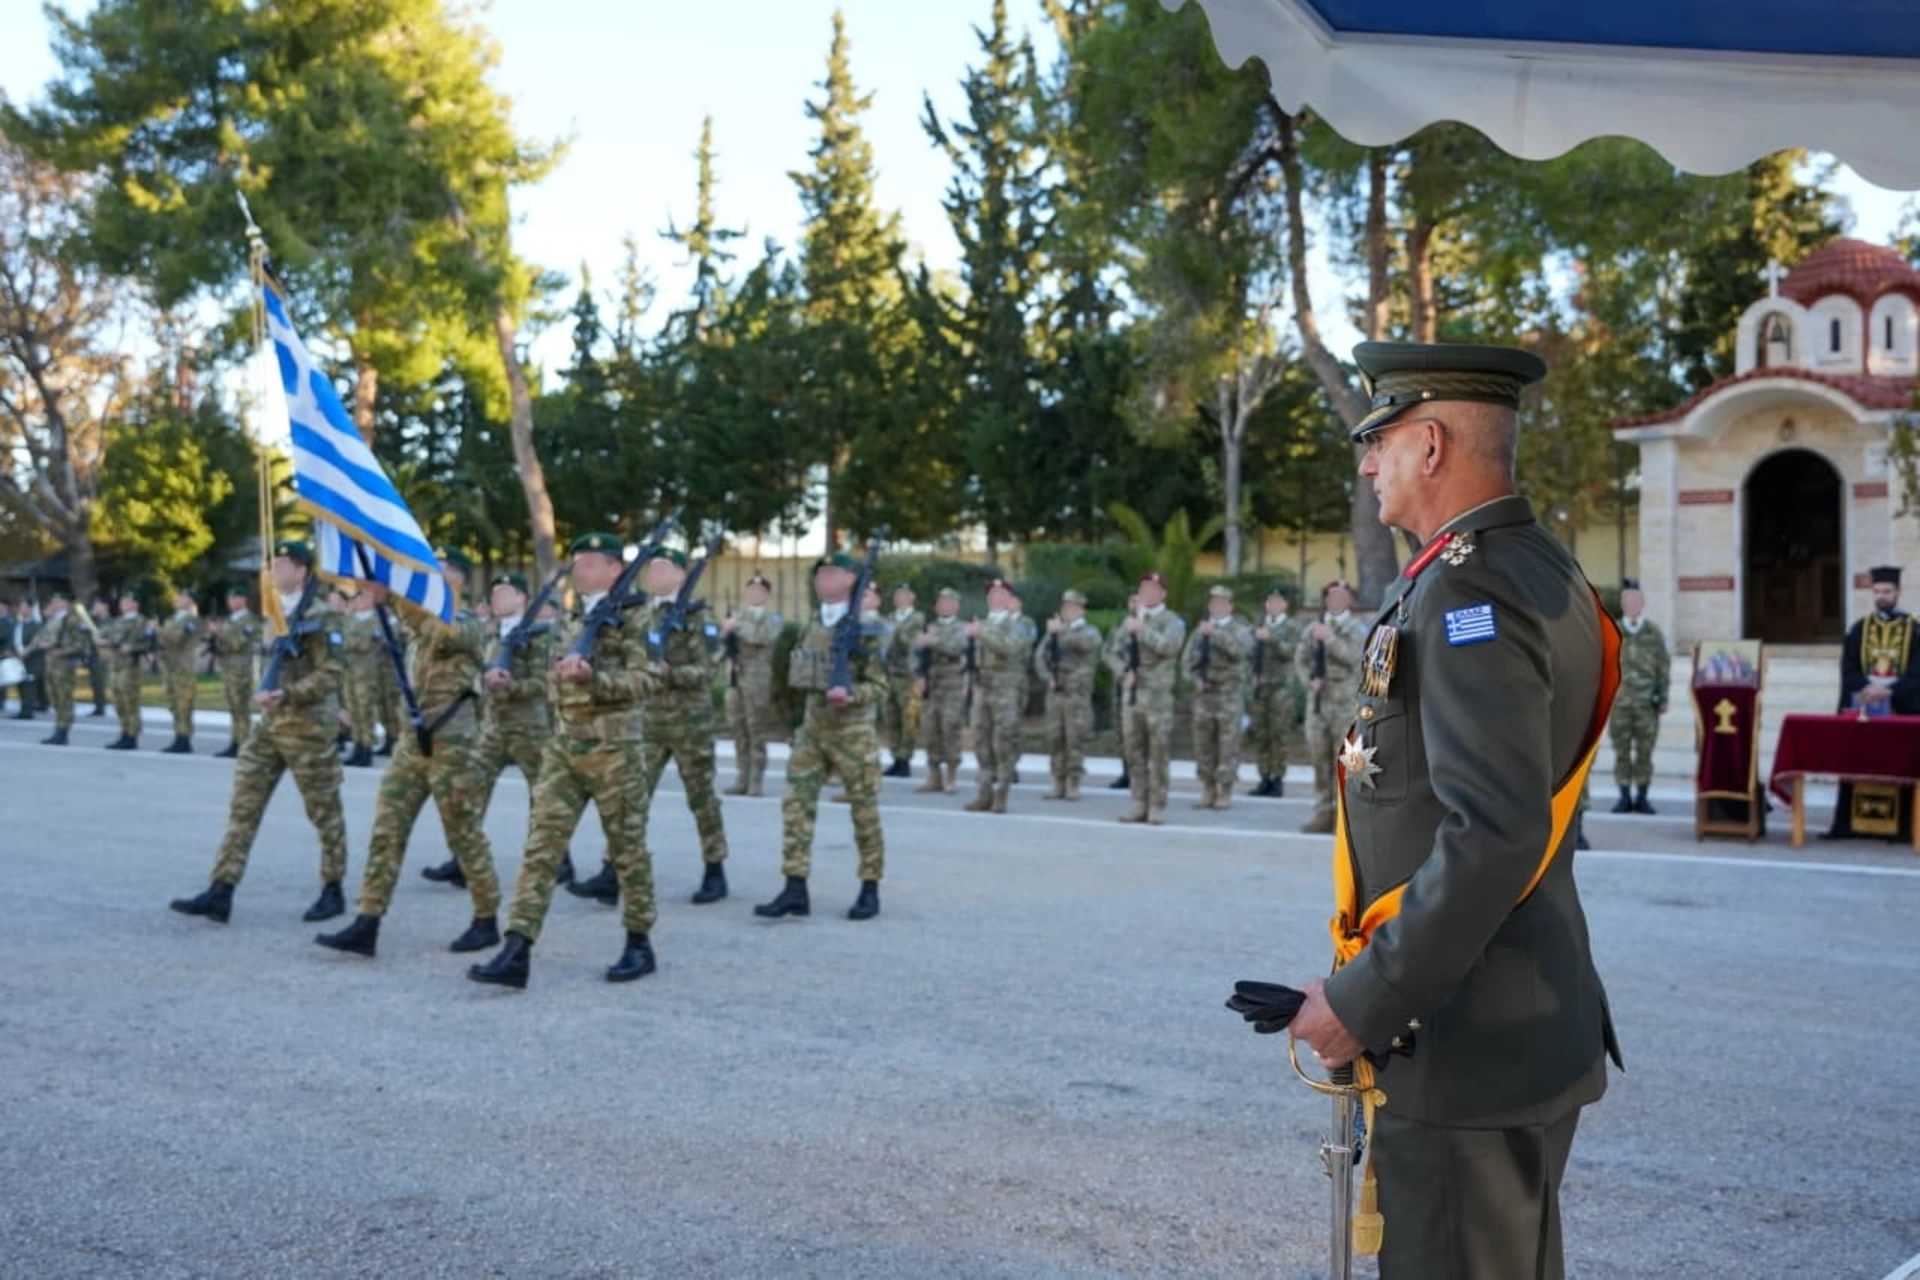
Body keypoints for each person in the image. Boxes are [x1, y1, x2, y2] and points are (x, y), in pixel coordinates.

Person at [1285, 341, 1622, 1280]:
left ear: (1429, 444)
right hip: (1495, 1024)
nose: (1367, 463)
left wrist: (1365, 1000)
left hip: (1464, 1038)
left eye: (1378, 440)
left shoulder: (1471, 590)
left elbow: (1494, 831)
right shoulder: (1528, 567)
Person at [467, 533, 664, 989]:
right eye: (578, 561)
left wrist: (596, 680)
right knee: (541, 848)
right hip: (564, 746)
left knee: (627, 850)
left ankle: (639, 942)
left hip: (614, 750)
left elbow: (649, 679)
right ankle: (517, 947)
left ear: (616, 569)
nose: (581, 569)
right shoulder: (572, 616)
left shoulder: (638, 616)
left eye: (592, 562)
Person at [316, 548, 505, 958]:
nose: (423, 576)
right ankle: (367, 920)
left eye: (434, 569)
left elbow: (451, 633)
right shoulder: (419, 629)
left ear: (455, 578)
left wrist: (394, 598)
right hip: (411, 741)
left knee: (462, 831)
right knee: (388, 828)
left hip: (452, 741)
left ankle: (487, 918)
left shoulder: (464, 620)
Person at [169, 539, 351, 925]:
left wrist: (291, 692)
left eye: (283, 564)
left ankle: (333, 888)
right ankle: (222, 889)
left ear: (302, 571)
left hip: (308, 726)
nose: (275, 571)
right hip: (269, 726)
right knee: (243, 807)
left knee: (324, 812)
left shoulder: (323, 615)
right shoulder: (272, 613)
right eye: (273, 564)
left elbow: (333, 671)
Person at [754, 552, 888, 922]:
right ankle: (795, 886)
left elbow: (881, 685)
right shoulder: (811, 623)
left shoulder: (869, 626)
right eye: (820, 574)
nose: (823, 580)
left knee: (864, 811)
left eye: (831, 573)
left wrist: (853, 695)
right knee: (796, 806)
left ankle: (869, 887)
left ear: (850, 579)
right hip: (812, 729)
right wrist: (790, 725)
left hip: (853, 730)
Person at [423, 574, 575, 888]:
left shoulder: (541, 636)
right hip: (492, 726)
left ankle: (560, 860)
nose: (498, 599)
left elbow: (547, 682)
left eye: (505, 593)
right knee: (469, 791)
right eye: (495, 593)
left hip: (530, 728)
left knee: (544, 797)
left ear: (522, 599)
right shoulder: (486, 633)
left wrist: (510, 686)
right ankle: (465, 858)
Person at [636, 547, 730, 905]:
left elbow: (709, 668)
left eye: (662, 569)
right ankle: (616, 870)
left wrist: (669, 673)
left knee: (701, 797)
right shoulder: (643, 614)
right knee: (633, 798)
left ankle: (714, 869)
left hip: (691, 720)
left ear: (680, 574)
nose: (654, 576)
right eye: (651, 569)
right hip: (650, 719)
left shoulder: (698, 615)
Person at [1826, 564, 1920, 839]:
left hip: (1899, 707)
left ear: (1898, 592)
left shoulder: (1915, 630)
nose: (1882, 596)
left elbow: (1918, 670)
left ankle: (1903, 826)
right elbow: (1849, 668)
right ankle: (1849, 824)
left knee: (1901, 762)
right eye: (1877, 591)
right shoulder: (1859, 629)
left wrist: (1891, 692)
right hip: (1865, 707)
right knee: (1856, 760)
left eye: (1887, 591)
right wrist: (1868, 688)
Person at [1295, 580, 1366, 833]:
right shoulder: (1313, 628)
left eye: (1342, 596)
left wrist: (1331, 640)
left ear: (1349, 601)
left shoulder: (1356, 628)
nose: (1336, 600)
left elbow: (1355, 658)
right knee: (1319, 758)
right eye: (1331, 596)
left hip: (1344, 701)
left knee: (1346, 761)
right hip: (1318, 702)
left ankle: (1345, 817)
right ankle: (1323, 813)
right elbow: (1300, 658)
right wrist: (1308, 681)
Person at [1117, 572, 1186, 826]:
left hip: (1157, 697)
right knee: (1133, 751)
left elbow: (1169, 647)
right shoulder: (1131, 620)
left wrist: (1143, 629)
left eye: (1153, 589)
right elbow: (1113, 652)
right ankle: (1137, 802)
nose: (1147, 593)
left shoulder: (1172, 621)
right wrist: (1122, 672)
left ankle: (1156, 805)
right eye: (1144, 588)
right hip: (1132, 695)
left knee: (1158, 752)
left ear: (1163, 594)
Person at [964, 579, 1035, 814]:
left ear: (1009, 599)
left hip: (1006, 690)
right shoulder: (982, 624)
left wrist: (981, 632)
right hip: (983, 689)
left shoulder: (1019, 624)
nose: (995, 598)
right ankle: (984, 792)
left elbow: (1009, 648)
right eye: (992, 594)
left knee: (1003, 742)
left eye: (1000, 594)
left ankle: (1001, 793)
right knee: (981, 741)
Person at [1183, 584, 1254, 810]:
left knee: (1228, 744)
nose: (1217, 606)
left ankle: (1225, 790)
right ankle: (1207, 787)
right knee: (1203, 743)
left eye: (1222, 602)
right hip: (1204, 696)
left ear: (1230, 606)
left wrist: (1216, 634)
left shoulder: (1240, 629)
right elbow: (1187, 661)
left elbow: (1241, 651)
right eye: (1213, 602)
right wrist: (1195, 680)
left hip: (1228, 696)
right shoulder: (1200, 631)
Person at [1608, 579, 1669, 815]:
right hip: (1619, 703)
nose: (1632, 605)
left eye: (1636, 600)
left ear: (1641, 603)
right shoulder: (1612, 631)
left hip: (1646, 704)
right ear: (1623, 604)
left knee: (1645, 751)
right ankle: (1624, 796)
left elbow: (1663, 667)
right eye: (1627, 601)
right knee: (1621, 752)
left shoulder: (1653, 633)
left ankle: (1642, 797)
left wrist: (1662, 697)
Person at [1035, 589, 1101, 801]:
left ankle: (1073, 782)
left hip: (1076, 694)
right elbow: (1039, 656)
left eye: (1073, 607)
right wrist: (1047, 677)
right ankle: (1057, 781)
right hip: (1056, 693)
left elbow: (1084, 645)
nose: (1068, 610)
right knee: (1055, 738)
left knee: (1074, 739)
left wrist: (1060, 631)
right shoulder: (1054, 632)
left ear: (1082, 610)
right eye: (1065, 607)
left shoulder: (1089, 631)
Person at [722, 573, 783, 797]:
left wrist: (735, 626)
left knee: (756, 730)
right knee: (738, 729)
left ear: (767, 595)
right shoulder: (737, 617)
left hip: (757, 679)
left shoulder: (772, 619)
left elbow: (760, 637)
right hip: (736, 677)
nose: (754, 594)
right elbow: (725, 645)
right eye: (751, 590)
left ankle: (756, 780)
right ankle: (742, 777)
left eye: (759, 591)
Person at [1248, 586, 1304, 798]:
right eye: (1269, 601)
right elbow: (1251, 654)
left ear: (1285, 605)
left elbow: (1290, 652)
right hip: (1261, 687)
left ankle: (1278, 779)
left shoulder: (1290, 627)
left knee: (1278, 734)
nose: (1272, 605)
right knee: (1262, 733)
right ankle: (1264, 777)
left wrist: (1269, 638)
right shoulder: (1260, 625)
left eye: (1277, 601)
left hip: (1282, 687)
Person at [913, 587, 968, 794]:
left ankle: (951, 776)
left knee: (950, 728)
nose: (944, 606)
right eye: (941, 602)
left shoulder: (961, 628)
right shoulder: (930, 627)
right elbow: (916, 652)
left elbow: (956, 648)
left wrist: (933, 641)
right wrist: (919, 676)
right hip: (932, 685)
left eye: (949, 602)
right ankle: (933, 776)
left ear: (956, 606)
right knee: (930, 729)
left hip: (952, 685)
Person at [209, 585, 262, 757]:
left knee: (241, 708)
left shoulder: (250, 622)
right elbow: (222, 646)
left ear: (244, 599)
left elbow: (236, 644)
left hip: (241, 670)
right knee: (233, 708)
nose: (230, 602)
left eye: (234, 598)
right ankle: (235, 741)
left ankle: (244, 743)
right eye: (229, 598)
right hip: (228, 669)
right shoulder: (230, 620)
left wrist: (219, 634)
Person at [100, 590, 154, 751]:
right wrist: (103, 641)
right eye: (122, 601)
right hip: (116, 665)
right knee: (118, 701)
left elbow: (149, 643)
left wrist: (133, 647)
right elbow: (106, 636)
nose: (122, 604)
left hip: (131, 666)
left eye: (127, 601)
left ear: (135, 604)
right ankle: (124, 731)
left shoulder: (141, 622)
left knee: (130, 701)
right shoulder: (118, 621)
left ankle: (132, 734)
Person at [339, 588, 388, 767]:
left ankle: (367, 748)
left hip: (366, 673)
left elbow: (366, 645)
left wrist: (352, 641)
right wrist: (353, 641)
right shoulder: (348, 619)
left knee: (365, 711)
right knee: (354, 711)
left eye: (365, 596)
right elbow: (340, 641)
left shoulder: (377, 621)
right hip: (349, 671)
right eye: (358, 596)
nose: (360, 600)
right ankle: (358, 746)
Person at [31, 594, 87, 744]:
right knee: (54, 697)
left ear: (66, 603)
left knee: (64, 698)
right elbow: (43, 636)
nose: (55, 604)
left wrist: (61, 652)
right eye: (53, 601)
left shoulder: (72, 620)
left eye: (58, 601)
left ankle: (63, 731)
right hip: (51, 663)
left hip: (64, 664)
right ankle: (58, 727)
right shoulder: (53, 619)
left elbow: (80, 644)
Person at [881, 584, 925, 778]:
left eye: (905, 595)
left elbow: (909, 641)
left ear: (912, 597)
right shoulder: (890, 618)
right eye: (898, 595)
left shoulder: (916, 618)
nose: (901, 598)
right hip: (889, 673)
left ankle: (905, 758)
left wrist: (894, 630)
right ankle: (895, 755)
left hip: (908, 674)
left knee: (909, 718)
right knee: (891, 716)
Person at [156, 589, 202, 754]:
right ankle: (178, 735)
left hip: (184, 667)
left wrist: (158, 629)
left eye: (182, 597)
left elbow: (175, 638)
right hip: (171, 666)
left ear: (190, 601)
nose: (177, 599)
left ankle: (184, 738)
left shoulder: (192, 620)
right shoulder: (172, 619)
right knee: (173, 703)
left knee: (183, 704)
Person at [1102, 593, 1140, 791]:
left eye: (1138, 600)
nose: (1134, 604)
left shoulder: (1151, 624)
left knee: (1138, 732)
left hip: (1142, 686)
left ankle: (1140, 773)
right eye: (1131, 600)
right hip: (1121, 682)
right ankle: (1126, 772)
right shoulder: (1120, 625)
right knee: (1121, 730)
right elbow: (1107, 652)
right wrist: (1120, 670)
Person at [6, 599, 40, 718]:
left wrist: (27, 652)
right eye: (21, 607)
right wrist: (11, 651)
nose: (22, 609)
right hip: (18, 659)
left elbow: (38, 643)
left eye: (24, 607)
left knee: (29, 686)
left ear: (30, 609)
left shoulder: (36, 625)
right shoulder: (18, 624)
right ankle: (23, 709)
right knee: (20, 683)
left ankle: (28, 710)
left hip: (31, 660)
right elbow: (14, 639)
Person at [86, 599, 110, 717]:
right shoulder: (94, 621)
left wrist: (103, 641)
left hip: (103, 656)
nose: (95, 608)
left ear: (105, 607)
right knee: (94, 682)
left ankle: (101, 706)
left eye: (97, 606)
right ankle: (97, 705)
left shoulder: (110, 622)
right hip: (93, 655)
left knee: (100, 682)